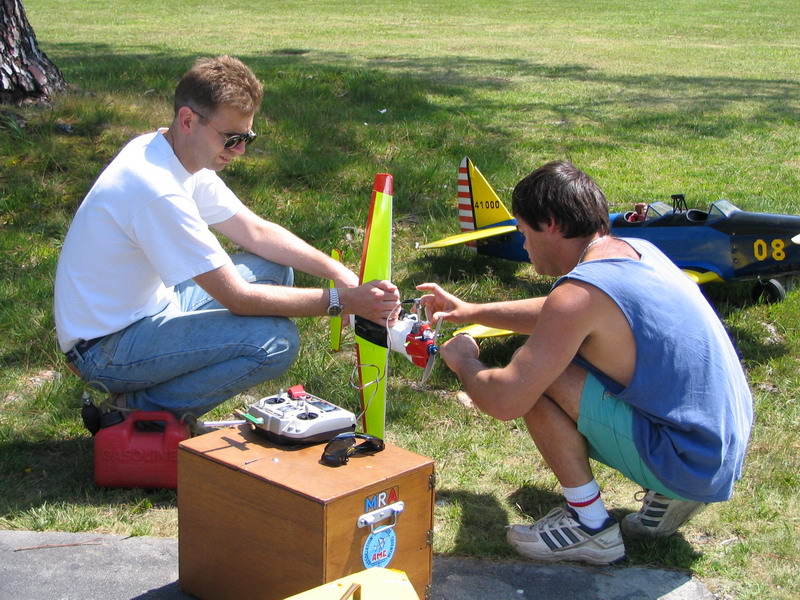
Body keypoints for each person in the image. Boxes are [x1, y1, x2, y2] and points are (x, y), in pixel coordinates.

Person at [418, 160, 752, 565]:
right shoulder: (638, 251)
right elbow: (558, 313)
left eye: (523, 232)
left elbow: (506, 399)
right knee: (553, 361)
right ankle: (670, 491)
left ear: (551, 224)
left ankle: (589, 526)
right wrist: (471, 311)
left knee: (536, 378)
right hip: (718, 445)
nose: (524, 245)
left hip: (688, 461)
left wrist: (464, 362)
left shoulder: (579, 296)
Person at [54, 55, 400, 420]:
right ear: (188, 120)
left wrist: (336, 272)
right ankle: (129, 411)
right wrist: (345, 301)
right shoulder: (156, 189)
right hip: (103, 350)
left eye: (247, 137)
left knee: (274, 268)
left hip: (148, 310)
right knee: (276, 341)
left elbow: (255, 232)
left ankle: (148, 394)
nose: (240, 150)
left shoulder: (170, 151)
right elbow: (238, 298)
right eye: (231, 138)